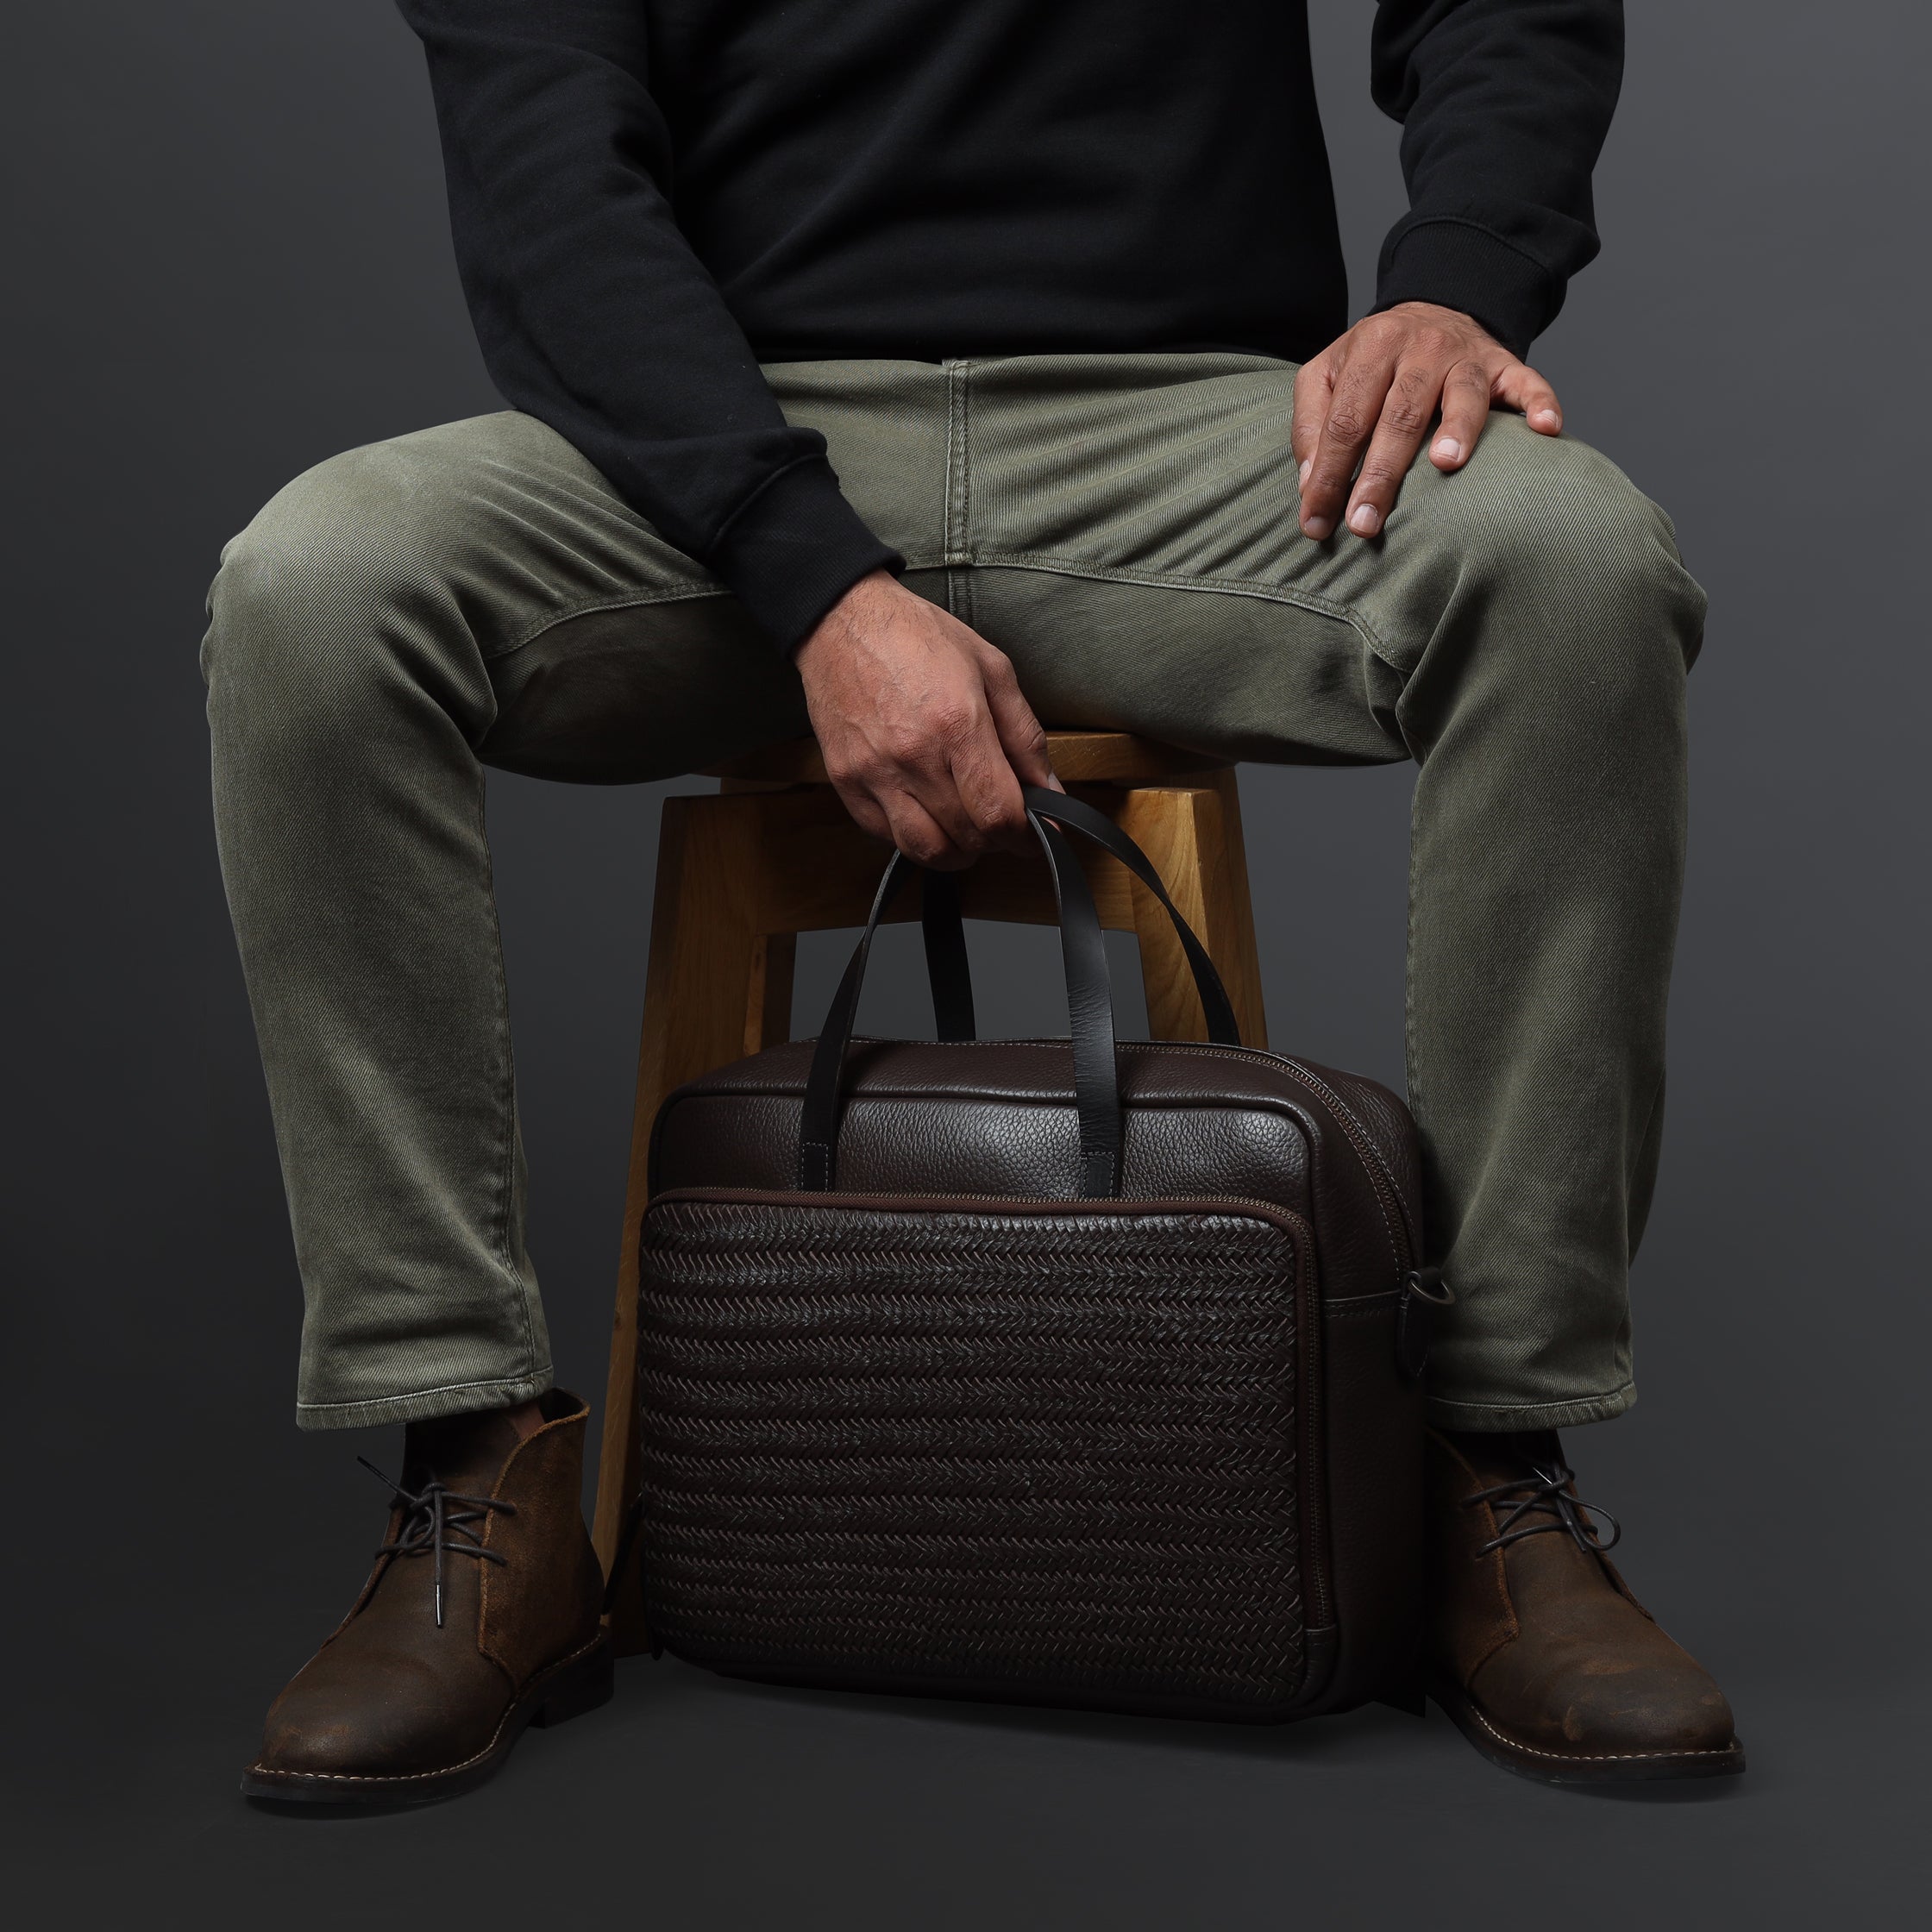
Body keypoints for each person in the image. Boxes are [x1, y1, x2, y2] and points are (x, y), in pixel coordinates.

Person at [205, 0, 1740, 1803]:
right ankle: (471, 1468)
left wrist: (1454, 278)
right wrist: (818, 584)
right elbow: (551, 184)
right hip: (719, 438)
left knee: (1571, 564)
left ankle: (1492, 1460)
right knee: (314, 588)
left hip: (1191, 431)